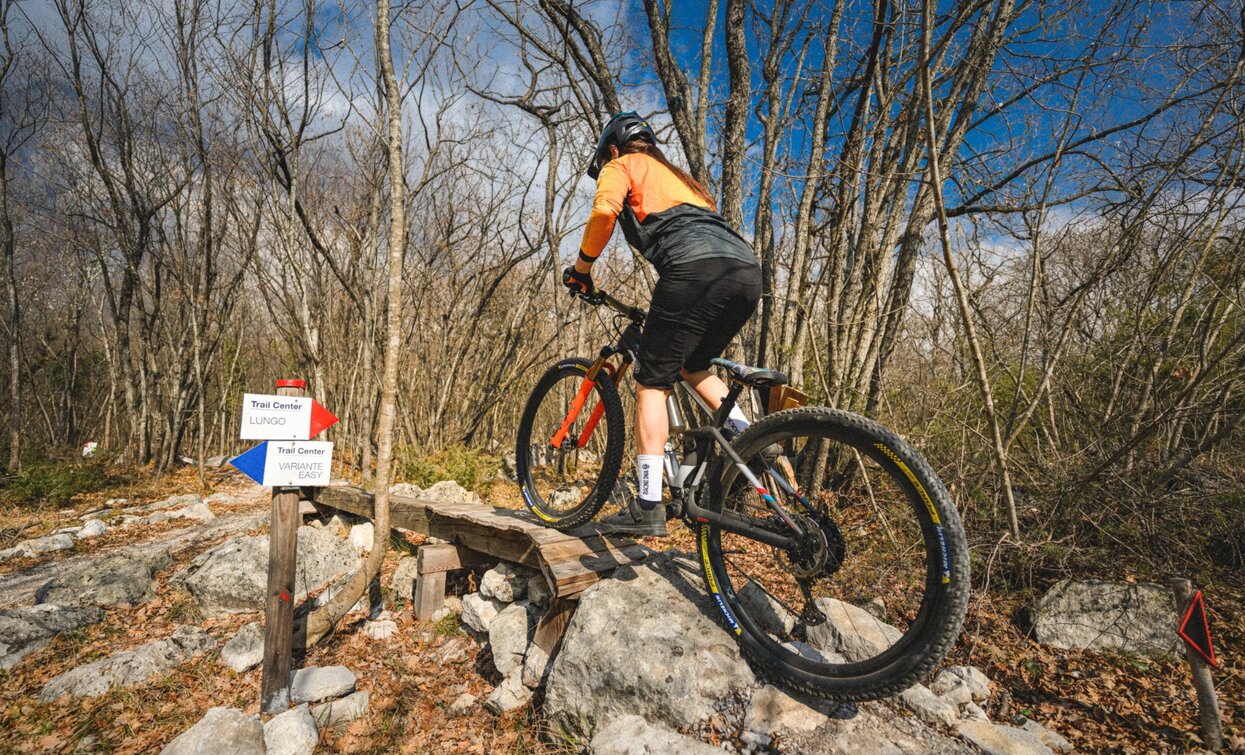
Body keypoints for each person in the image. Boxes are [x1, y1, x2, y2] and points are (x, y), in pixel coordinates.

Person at [562, 112, 762, 537]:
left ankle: (648, 504)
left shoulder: (621, 166)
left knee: (652, 381)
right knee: (692, 363)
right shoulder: (686, 183)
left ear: (612, 149)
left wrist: (582, 269)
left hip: (694, 270)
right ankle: (752, 443)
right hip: (746, 273)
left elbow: (603, 213)